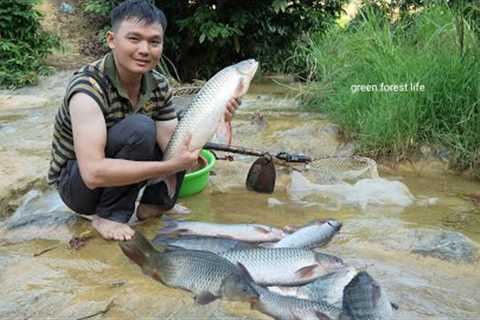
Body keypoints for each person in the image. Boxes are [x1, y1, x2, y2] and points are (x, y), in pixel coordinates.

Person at [47, 0, 240, 241]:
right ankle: (108, 216)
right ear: (111, 40)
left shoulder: (158, 83)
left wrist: (216, 117)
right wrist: (168, 167)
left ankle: (152, 205)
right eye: (134, 39)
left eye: (154, 42)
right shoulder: (88, 88)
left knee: (183, 130)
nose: (144, 50)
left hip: (112, 171)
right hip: (79, 187)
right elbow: (92, 173)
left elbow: (173, 142)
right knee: (140, 128)